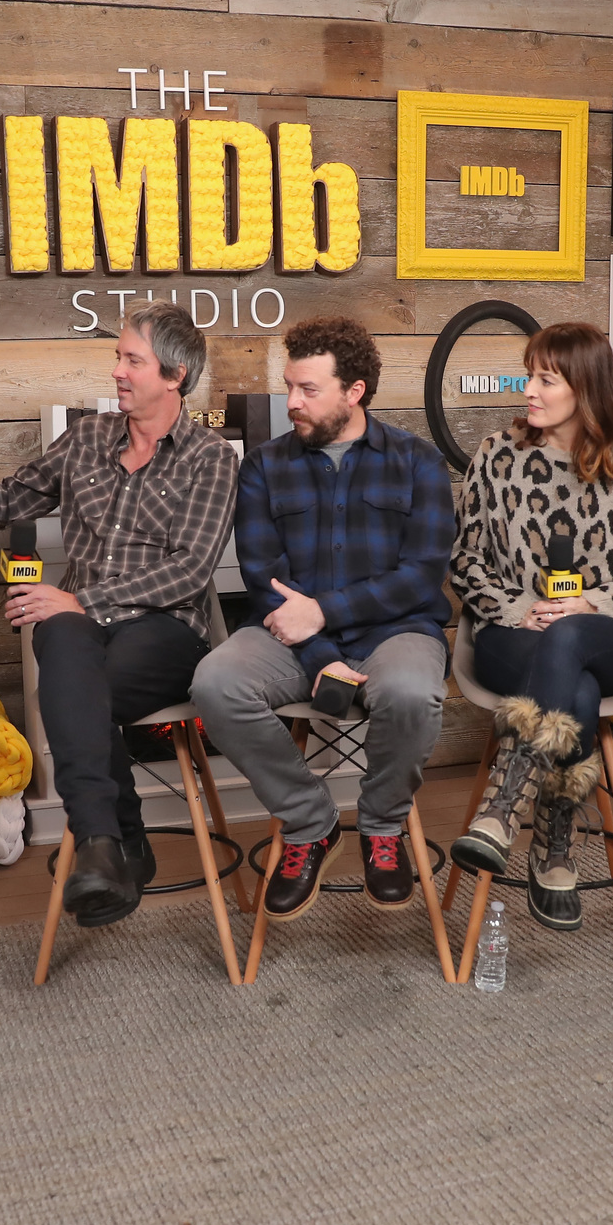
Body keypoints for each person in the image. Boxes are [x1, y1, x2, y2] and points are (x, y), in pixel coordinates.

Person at [0, 302, 236, 930]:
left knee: (68, 669)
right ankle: (106, 843)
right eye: (118, 358)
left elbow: (188, 570)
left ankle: (115, 840)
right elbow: (9, 500)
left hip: (164, 631)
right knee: (63, 642)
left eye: (133, 360)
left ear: (175, 375)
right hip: (81, 635)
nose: (117, 372)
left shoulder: (209, 458)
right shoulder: (86, 439)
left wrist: (79, 600)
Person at [190, 316, 456, 921]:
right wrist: (321, 656)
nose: (293, 404)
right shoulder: (263, 465)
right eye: (290, 387)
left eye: (308, 390)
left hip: (397, 632)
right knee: (216, 681)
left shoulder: (417, 462)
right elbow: (263, 579)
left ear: (354, 391)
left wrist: (327, 613)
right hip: (291, 639)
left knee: (414, 694)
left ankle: (383, 826)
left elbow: (421, 576)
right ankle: (310, 824)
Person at [447, 322, 613, 931]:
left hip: (604, 635)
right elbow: (463, 559)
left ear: (585, 387)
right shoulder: (497, 456)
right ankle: (554, 843)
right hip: (510, 635)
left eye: (547, 379)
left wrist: (590, 602)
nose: (530, 390)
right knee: (578, 690)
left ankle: (503, 805)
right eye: (529, 375)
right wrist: (520, 609)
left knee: (569, 639)